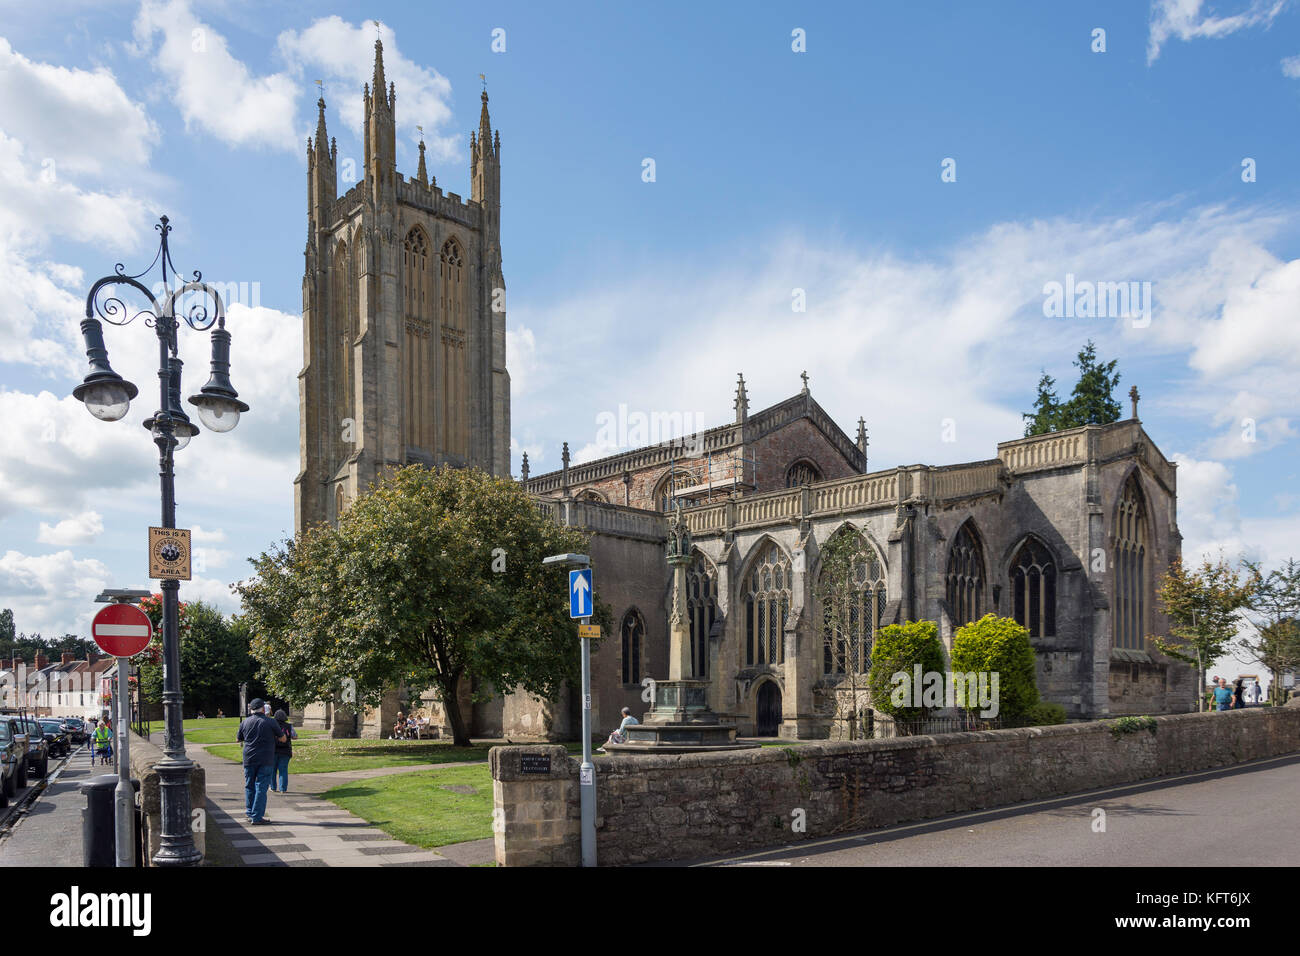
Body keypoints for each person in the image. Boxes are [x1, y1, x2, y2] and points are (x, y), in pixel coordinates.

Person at [236, 698, 286, 825]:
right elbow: (283, 738)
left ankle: (249, 812)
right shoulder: (271, 722)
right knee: (261, 787)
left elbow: (238, 739)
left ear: (251, 709)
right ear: (263, 709)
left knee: (249, 786)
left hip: (248, 758)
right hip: (265, 758)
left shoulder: (245, 722)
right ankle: (257, 816)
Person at [269, 709, 298, 794]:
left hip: (273, 751)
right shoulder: (289, 726)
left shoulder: (272, 726)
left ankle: (273, 787)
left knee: (272, 770)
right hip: (285, 751)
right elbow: (294, 736)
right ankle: (283, 788)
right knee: (283, 770)